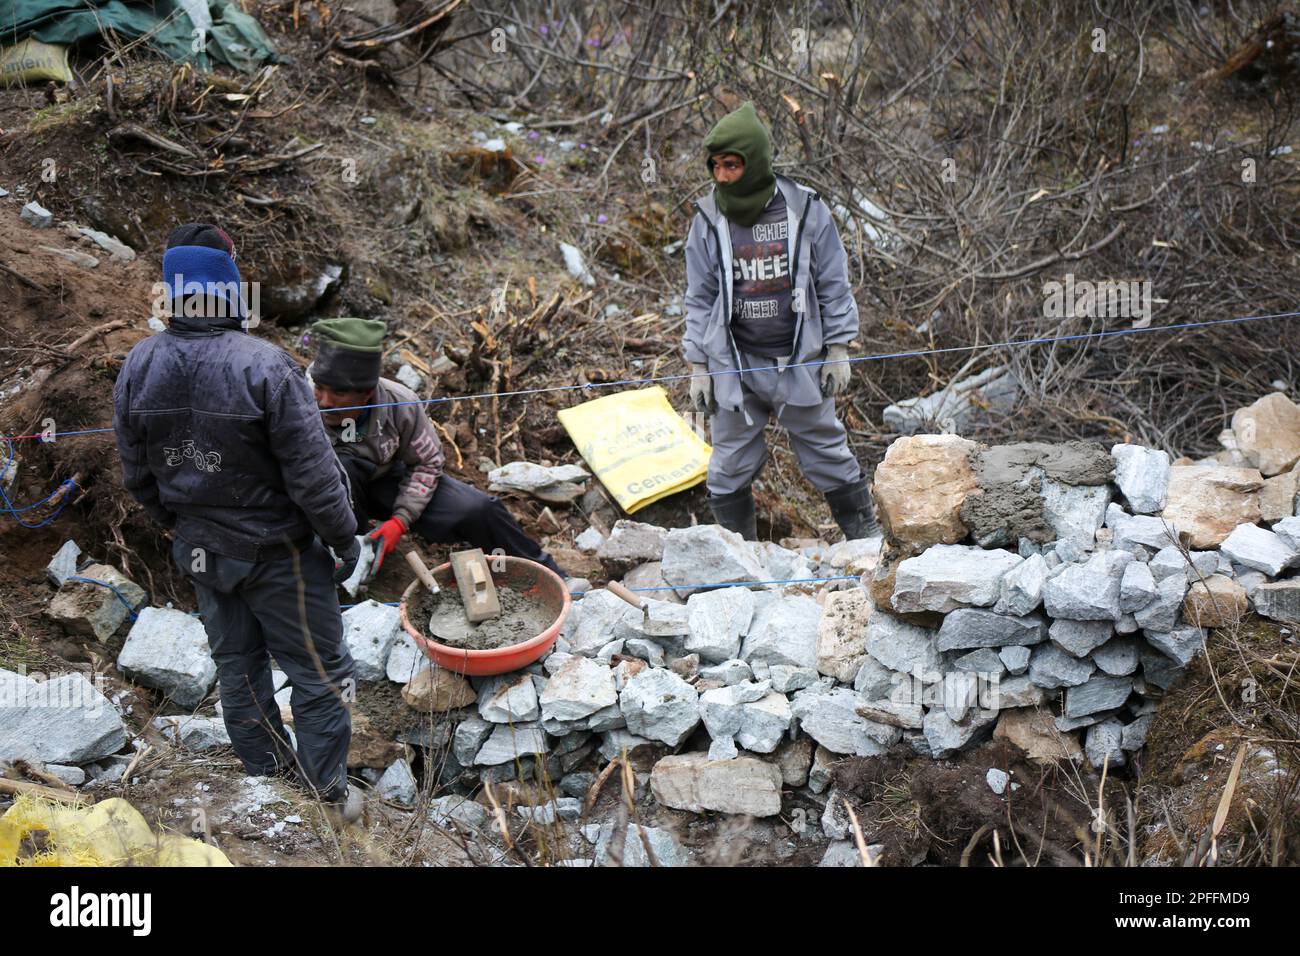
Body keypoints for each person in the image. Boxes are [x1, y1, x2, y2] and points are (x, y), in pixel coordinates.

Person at [112, 223, 364, 824]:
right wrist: (343, 539)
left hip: (201, 552)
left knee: (237, 664)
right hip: (278, 553)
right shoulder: (267, 369)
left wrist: (177, 524)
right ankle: (325, 794)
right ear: (227, 285)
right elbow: (314, 477)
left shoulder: (139, 364)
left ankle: (266, 780)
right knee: (321, 672)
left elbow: (136, 473)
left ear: (175, 290)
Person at [683, 101, 880, 541]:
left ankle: (865, 544)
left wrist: (838, 347)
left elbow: (832, 281)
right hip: (735, 364)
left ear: (754, 161)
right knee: (729, 462)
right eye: (715, 166)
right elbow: (699, 297)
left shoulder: (805, 211)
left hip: (799, 360)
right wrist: (698, 364)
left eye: (732, 165)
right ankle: (740, 566)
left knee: (826, 449)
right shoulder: (708, 219)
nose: (721, 176)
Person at [306, 318, 567, 581]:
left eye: (338, 393)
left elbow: (426, 462)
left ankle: (547, 575)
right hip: (321, 489)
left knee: (477, 509)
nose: (325, 401)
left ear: (367, 393)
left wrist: (400, 519)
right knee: (342, 468)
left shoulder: (400, 404)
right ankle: (348, 560)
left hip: (383, 480)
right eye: (320, 388)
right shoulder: (296, 398)